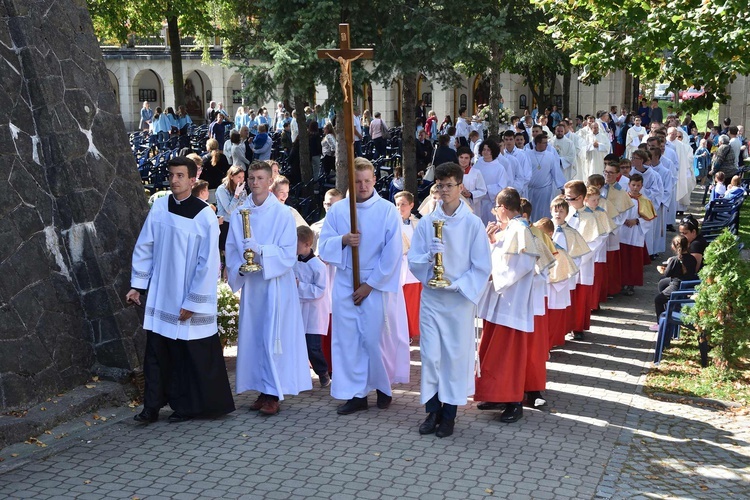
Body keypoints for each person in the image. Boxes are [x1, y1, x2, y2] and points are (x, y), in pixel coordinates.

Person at [128, 156, 235, 424]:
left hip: (186, 297)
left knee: (185, 356)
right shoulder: (160, 207)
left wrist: (194, 301)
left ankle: (186, 407)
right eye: (171, 175)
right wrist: (138, 286)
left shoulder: (204, 216)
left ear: (192, 179)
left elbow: (208, 264)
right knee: (155, 353)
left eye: (180, 176)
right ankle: (151, 408)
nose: (174, 180)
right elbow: (145, 246)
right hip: (162, 294)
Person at [408, 162, 491, 437]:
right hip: (433, 297)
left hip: (458, 300)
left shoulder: (472, 223)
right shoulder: (428, 222)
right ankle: (432, 411)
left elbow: (481, 265)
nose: (444, 190)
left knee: (454, 358)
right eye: (440, 186)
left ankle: (449, 415)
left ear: (460, 186)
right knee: (431, 356)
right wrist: (428, 259)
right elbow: (414, 258)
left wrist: (459, 285)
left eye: (449, 185)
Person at [225, 161, 312, 415]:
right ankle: (262, 389)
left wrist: (261, 251)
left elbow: (288, 253)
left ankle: (274, 393)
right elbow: (231, 248)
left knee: (275, 337)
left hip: (276, 285)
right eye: (251, 178)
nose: (255, 183)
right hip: (253, 286)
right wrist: (241, 266)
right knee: (256, 337)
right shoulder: (241, 212)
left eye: (260, 178)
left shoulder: (282, 214)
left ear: (269, 181)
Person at [318, 158, 405, 415]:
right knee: (348, 341)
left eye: (367, 180)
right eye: (358, 182)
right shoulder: (338, 210)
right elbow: (324, 246)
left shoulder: (388, 210)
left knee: (373, 339)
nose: (363, 185)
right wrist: (344, 240)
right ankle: (355, 394)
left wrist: (369, 285)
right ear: (351, 184)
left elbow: (392, 253)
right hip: (346, 279)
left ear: (375, 180)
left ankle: (382, 387)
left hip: (375, 283)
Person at [475, 187, 539, 423]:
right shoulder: (510, 228)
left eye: (496, 209)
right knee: (494, 352)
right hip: (500, 301)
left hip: (512, 302)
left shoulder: (520, 229)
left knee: (509, 355)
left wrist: (495, 276)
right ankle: (495, 394)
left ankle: (513, 401)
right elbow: (501, 254)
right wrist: (492, 241)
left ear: (502, 208)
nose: (495, 213)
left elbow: (523, 264)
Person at [294, 225, 331, 388]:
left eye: (296, 243)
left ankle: (323, 372)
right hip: (298, 310)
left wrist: (299, 285)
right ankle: (299, 375)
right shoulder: (292, 262)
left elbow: (320, 290)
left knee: (313, 347)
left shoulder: (318, 266)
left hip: (314, 312)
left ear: (307, 244)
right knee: (297, 344)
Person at [650, 235, 698, 331]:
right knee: (663, 284)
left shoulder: (674, 260)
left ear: (674, 246)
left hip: (676, 286)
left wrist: (662, 268)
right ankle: (667, 311)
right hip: (687, 285)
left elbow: (667, 274)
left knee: (658, 300)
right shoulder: (692, 258)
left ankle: (660, 323)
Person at [619, 173, 655, 295]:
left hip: (635, 233)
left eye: (638, 185)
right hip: (622, 232)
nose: (635, 187)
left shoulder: (645, 200)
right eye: (633, 185)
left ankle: (631, 284)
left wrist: (637, 221)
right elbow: (616, 212)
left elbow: (649, 219)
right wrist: (622, 220)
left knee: (633, 260)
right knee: (622, 258)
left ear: (641, 186)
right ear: (629, 185)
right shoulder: (622, 198)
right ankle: (621, 282)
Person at [394, 191, 421, 341]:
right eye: (397, 204)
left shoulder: (417, 224)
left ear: (411, 205)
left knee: (411, 303)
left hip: (412, 269)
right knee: (398, 303)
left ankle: (410, 332)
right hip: (397, 268)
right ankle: (400, 331)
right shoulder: (390, 223)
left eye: (403, 204)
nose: (400, 208)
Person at [527, 133, 566, 222]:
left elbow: (556, 172)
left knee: (543, 213)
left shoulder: (550, 156)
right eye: (544, 143)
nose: (546, 145)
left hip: (544, 190)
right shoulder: (528, 154)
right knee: (530, 212)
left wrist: (562, 187)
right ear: (537, 143)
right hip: (530, 190)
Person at [473, 138, 510, 224]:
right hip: (478, 202)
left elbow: (502, 187)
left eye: (488, 150)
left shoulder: (499, 168)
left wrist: (486, 190)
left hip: (491, 203)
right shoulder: (477, 165)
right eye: (484, 149)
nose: (485, 152)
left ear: (493, 151)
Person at [215, 166, 246, 256]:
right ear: (232, 176)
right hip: (225, 223)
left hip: (237, 222)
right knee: (226, 254)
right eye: (239, 177)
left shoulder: (241, 189)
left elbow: (244, 205)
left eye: (243, 177)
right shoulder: (222, 189)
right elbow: (229, 209)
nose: (241, 179)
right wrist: (236, 195)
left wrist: (241, 194)